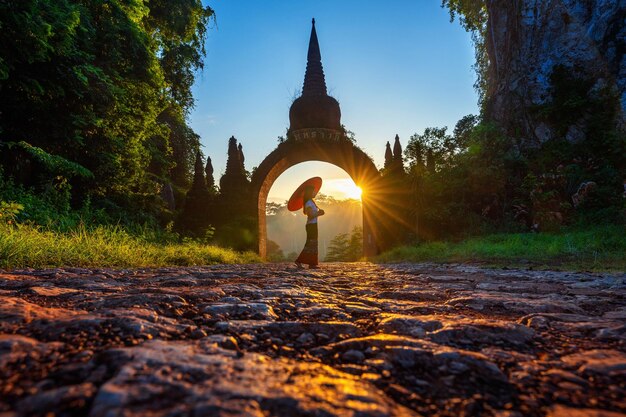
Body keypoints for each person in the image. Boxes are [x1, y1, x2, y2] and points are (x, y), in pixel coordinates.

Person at [295, 185, 325, 269]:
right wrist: (320, 213)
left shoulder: (311, 202)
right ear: (310, 192)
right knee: (310, 244)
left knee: (313, 244)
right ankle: (299, 261)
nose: (315, 193)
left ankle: (312, 263)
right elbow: (310, 215)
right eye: (313, 191)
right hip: (311, 225)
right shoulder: (308, 203)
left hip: (313, 224)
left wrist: (319, 213)